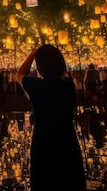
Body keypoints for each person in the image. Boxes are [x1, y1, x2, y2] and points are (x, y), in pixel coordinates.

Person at [16, 44, 87, 191]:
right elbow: (63, 73)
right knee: (69, 177)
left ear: (40, 68)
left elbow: (19, 74)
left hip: (43, 140)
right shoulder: (69, 86)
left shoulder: (36, 86)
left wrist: (34, 54)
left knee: (44, 178)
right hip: (67, 138)